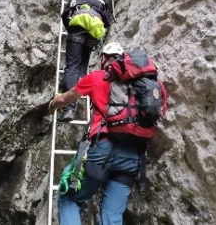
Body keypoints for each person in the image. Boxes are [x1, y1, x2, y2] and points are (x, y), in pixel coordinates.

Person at [49, 43, 167, 225]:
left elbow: (66, 98)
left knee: (69, 197)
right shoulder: (147, 85)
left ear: (103, 58)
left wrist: (53, 104)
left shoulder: (97, 77)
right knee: (112, 215)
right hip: (133, 158)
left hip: (102, 152)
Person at [59, 0, 112, 122]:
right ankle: (81, 87)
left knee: (72, 66)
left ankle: (69, 108)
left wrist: (71, 29)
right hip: (93, 33)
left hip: (77, 29)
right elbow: (107, 21)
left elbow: (65, 13)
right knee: (82, 66)